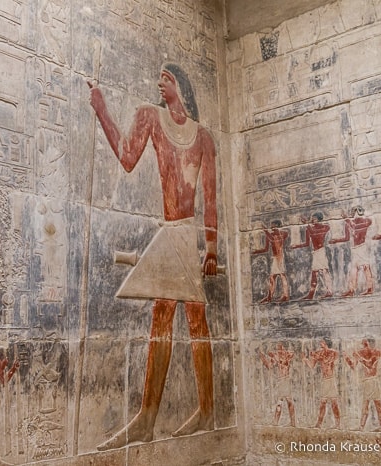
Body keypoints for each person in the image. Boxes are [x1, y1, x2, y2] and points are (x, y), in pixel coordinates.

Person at [89, 62, 218, 450]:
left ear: (180, 85)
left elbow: (210, 198)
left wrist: (211, 248)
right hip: (171, 232)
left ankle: (200, 411)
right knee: (169, 317)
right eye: (158, 77)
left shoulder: (205, 137)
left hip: (188, 233)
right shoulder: (150, 117)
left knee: (194, 320)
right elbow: (128, 158)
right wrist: (102, 111)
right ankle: (150, 417)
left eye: (166, 78)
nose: (159, 83)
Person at [329, 206, 374, 296]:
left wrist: (347, 219)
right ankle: (351, 289)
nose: (352, 213)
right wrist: (336, 240)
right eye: (351, 212)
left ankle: (369, 288)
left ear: (359, 211)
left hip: (362, 246)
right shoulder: (349, 222)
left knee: (366, 267)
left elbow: (357, 226)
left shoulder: (365, 221)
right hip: (355, 248)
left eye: (354, 211)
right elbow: (346, 238)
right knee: (354, 268)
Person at [345, 339, 381, 432]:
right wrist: (347, 358)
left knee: (373, 404)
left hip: (372, 380)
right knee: (370, 404)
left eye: (365, 343)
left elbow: (365, 365)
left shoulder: (369, 352)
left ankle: (376, 426)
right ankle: (364, 426)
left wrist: (355, 357)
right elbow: (354, 366)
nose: (364, 346)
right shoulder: (375, 352)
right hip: (371, 381)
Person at [291, 212, 333, 300]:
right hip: (315, 253)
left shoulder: (324, 227)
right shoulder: (309, 229)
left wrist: (307, 224)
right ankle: (311, 293)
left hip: (321, 251)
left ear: (319, 219)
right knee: (314, 273)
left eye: (314, 218)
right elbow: (306, 243)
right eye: (312, 219)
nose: (312, 220)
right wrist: (297, 245)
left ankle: (329, 291)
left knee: (324, 271)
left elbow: (316, 234)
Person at [303, 339, 340, 429]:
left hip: (331, 380)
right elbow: (312, 365)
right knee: (322, 403)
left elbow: (332, 360)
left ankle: (338, 424)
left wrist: (319, 356)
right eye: (320, 343)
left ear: (326, 343)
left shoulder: (333, 352)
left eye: (322, 343)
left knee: (334, 403)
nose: (320, 344)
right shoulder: (319, 353)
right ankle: (319, 424)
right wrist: (305, 359)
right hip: (325, 380)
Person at [252, 220, 290, 303]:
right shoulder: (270, 235)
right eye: (271, 225)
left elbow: (275, 239)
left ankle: (285, 295)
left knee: (282, 275)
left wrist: (265, 231)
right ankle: (269, 296)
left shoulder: (282, 233)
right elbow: (266, 248)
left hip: (280, 256)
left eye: (273, 225)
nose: (271, 227)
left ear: (277, 225)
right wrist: (256, 252)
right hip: (275, 257)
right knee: (272, 277)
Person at [258, 344, 296, 426]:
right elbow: (269, 366)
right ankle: (287, 422)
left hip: (285, 379)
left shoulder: (286, 354)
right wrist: (263, 358)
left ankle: (283, 422)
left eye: (280, 346)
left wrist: (274, 355)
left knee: (284, 400)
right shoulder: (277, 356)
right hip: (282, 380)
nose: (278, 348)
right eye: (277, 347)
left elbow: (288, 356)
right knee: (284, 400)